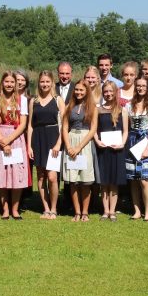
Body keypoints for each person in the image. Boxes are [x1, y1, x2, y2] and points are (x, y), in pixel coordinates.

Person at [0, 71, 30, 219]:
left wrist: (9, 140)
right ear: (2, 83)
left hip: (16, 139)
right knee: (2, 175)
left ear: (16, 84)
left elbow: (23, 124)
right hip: (0, 139)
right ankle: (5, 209)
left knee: (17, 175)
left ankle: (15, 209)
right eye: (6, 82)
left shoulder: (22, 100)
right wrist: (2, 140)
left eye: (12, 82)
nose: (9, 84)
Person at [28, 70, 63, 219]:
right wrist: (29, 146)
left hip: (53, 139)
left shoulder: (58, 100)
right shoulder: (33, 101)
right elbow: (30, 125)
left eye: (47, 81)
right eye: (42, 81)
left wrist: (58, 144)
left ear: (52, 82)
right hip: (38, 139)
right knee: (41, 176)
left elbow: (64, 125)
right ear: (39, 83)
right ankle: (46, 208)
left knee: (52, 177)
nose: (45, 84)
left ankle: (54, 208)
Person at [62, 80, 98, 221]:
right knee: (73, 180)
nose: (78, 92)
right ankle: (77, 212)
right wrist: (69, 146)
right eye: (76, 90)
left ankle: (85, 212)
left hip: (85, 143)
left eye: (81, 90)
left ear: (87, 91)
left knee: (85, 181)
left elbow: (93, 129)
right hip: (71, 140)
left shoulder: (92, 107)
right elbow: (64, 128)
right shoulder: (69, 106)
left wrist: (79, 147)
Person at [125, 77, 148, 221]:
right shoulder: (128, 105)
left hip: (145, 141)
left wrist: (147, 148)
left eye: (143, 86)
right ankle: (137, 210)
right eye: (138, 85)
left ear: (147, 87)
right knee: (133, 179)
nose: (140, 88)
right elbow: (127, 128)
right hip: (133, 141)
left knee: (144, 179)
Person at [95, 81, 128, 220]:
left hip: (117, 150)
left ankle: (112, 211)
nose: (108, 94)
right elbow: (94, 130)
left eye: (110, 91)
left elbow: (126, 131)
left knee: (114, 182)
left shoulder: (122, 110)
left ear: (115, 92)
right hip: (103, 150)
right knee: (104, 182)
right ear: (103, 92)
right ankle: (105, 210)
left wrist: (122, 144)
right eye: (106, 91)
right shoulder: (98, 110)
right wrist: (97, 141)